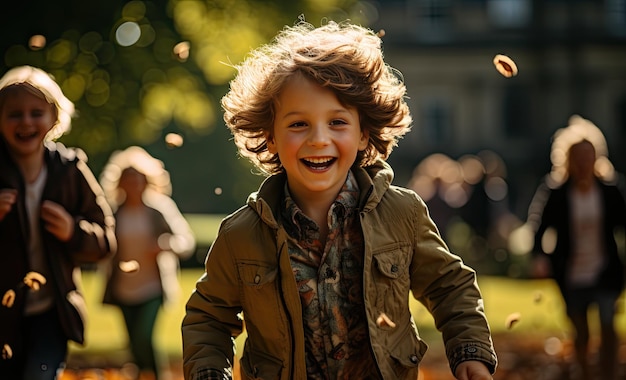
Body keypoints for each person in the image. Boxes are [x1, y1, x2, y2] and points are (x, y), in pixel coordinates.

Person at [182, 20, 497, 380]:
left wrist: (469, 349)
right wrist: (208, 372)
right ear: (269, 138)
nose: (318, 139)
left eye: (337, 123)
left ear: (364, 134)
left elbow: (449, 286)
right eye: (298, 124)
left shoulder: (401, 213)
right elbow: (208, 316)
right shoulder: (241, 235)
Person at [0, 65, 117, 380]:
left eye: (36, 112)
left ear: (54, 117)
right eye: (14, 114)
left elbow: (106, 240)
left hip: (51, 315)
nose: (26, 122)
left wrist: (73, 231)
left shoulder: (70, 170)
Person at [527, 115, 626, 380]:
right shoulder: (556, 192)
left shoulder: (609, 190)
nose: (584, 162)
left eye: (589, 155)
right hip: (571, 272)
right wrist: (538, 257)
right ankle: (583, 372)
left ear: (597, 157)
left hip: (605, 270)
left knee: (608, 325)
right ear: (567, 159)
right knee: (580, 331)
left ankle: (609, 374)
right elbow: (539, 226)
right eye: (578, 156)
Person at [100, 146, 196, 380]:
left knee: (145, 337)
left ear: (147, 181)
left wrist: (166, 245)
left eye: (138, 179)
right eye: (128, 179)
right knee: (133, 343)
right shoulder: (113, 213)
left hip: (152, 286)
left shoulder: (158, 209)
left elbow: (185, 241)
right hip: (123, 288)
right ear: (119, 183)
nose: (133, 184)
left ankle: (158, 376)